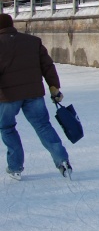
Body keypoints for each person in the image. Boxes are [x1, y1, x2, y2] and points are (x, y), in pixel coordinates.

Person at [0, 13, 72, 181]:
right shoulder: (33, 41)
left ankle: (15, 167)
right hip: (34, 93)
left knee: (7, 128)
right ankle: (62, 161)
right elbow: (47, 66)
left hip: (7, 97)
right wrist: (54, 88)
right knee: (43, 126)